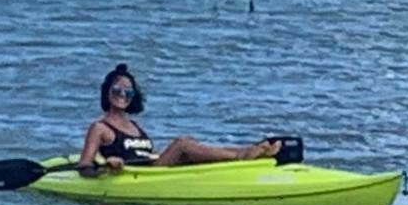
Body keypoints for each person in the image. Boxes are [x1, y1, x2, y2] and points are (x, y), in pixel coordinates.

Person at [78, 63, 279, 175]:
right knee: (181, 144)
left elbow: (144, 153)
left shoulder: (134, 126)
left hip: (153, 169)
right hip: (138, 177)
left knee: (188, 144)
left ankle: (248, 151)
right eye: (117, 90)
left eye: (128, 92)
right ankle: (244, 156)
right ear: (107, 93)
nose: (122, 95)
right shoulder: (99, 128)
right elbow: (84, 166)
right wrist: (107, 166)